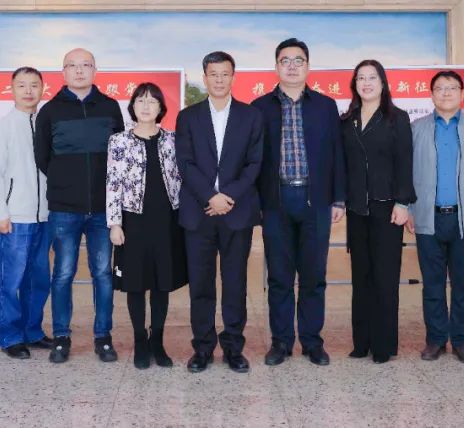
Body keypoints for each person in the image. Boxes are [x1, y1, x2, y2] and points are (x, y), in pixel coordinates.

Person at [252, 38, 346, 368]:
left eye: (298, 60)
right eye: (285, 60)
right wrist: (256, 203)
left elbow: (337, 153)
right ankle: (280, 342)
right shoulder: (259, 107)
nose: (292, 66)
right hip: (275, 202)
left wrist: (338, 198)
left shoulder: (325, 106)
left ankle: (311, 342)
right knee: (279, 277)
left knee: (313, 276)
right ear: (276, 66)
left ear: (308, 66)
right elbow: (252, 159)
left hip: (315, 201)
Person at [175, 51, 263, 373]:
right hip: (199, 212)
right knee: (201, 284)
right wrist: (210, 197)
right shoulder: (188, 117)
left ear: (233, 77)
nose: (219, 80)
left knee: (235, 283)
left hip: (236, 212)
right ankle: (202, 348)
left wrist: (228, 196)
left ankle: (233, 348)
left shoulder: (251, 116)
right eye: (213, 74)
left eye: (225, 74)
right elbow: (185, 162)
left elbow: (255, 163)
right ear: (204, 78)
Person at [35, 48, 125, 364]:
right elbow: (42, 157)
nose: (79, 70)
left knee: (103, 273)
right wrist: (66, 181)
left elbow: (119, 155)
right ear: (63, 72)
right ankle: (61, 337)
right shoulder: (50, 111)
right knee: (63, 273)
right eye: (72, 66)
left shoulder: (110, 107)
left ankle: (103, 337)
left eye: (85, 65)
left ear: (95, 70)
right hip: (64, 208)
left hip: (103, 210)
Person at [411, 70, 464, 365]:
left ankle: (462, 341)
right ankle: (436, 340)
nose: (446, 93)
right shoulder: (417, 129)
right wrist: (409, 209)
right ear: (431, 94)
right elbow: (406, 174)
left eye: (452, 88)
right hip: (429, 218)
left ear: (462, 93)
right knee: (432, 285)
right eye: (440, 88)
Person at [106, 83, 188, 370]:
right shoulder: (119, 141)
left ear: (161, 108)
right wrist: (114, 223)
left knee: (162, 283)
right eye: (140, 100)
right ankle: (140, 341)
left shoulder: (173, 140)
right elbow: (112, 183)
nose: (146, 106)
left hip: (167, 221)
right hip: (133, 221)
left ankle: (158, 341)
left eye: (152, 101)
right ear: (132, 107)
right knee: (136, 284)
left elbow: (183, 178)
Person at [340, 60, 414, 364]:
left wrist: (403, 202)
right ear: (354, 84)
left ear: (383, 83)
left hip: (388, 208)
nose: (366, 83)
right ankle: (362, 342)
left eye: (372, 77)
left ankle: (383, 345)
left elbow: (405, 162)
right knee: (361, 277)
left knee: (385, 277)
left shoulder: (397, 118)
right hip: (357, 209)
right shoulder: (347, 120)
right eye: (361, 78)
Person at [0, 67, 52, 360]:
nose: (28, 91)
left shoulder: (48, 125)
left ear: (42, 89)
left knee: (38, 280)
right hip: (14, 217)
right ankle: (10, 336)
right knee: (9, 281)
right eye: (22, 85)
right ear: (11, 90)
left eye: (34, 85)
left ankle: (32, 331)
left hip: (45, 216)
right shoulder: (2, 127)